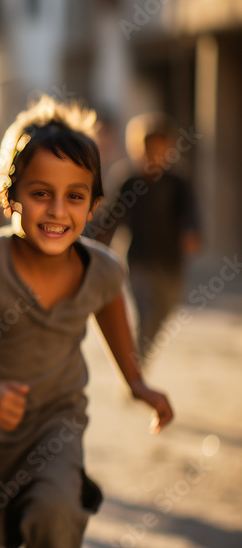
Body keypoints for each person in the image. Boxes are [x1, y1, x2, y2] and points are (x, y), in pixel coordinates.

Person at [0, 95, 174, 548]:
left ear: (93, 205)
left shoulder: (103, 269)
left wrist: (136, 382)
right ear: (9, 197)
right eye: (40, 194)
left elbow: (111, 308)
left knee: (57, 514)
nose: (57, 211)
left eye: (74, 196)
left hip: (54, 429)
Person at [91, 113, 201, 364]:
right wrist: (97, 247)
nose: (154, 155)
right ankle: (134, 369)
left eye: (160, 149)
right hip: (139, 261)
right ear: (137, 149)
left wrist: (192, 234)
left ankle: (137, 363)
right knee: (145, 315)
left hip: (171, 264)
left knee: (162, 314)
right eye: (148, 149)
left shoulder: (178, 183)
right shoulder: (129, 181)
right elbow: (111, 220)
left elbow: (191, 216)